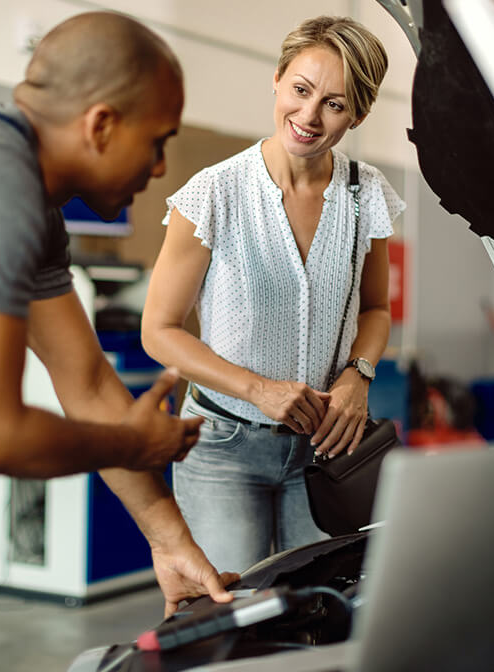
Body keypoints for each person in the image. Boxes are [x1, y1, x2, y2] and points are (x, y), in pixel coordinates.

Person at [0, 11, 239, 616]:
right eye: (158, 141)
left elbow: (90, 383)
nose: (158, 168)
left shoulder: (35, 209)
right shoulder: (0, 186)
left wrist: (170, 540)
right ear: (101, 125)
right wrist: (128, 442)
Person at [141, 15, 406, 573]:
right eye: (301, 90)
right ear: (279, 79)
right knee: (226, 620)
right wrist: (257, 388)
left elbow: (376, 309)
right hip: (223, 446)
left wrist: (359, 374)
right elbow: (158, 332)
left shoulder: (367, 194)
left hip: (327, 449)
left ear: (357, 113)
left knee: (322, 614)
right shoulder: (214, 194)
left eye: (334, 104)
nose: (308, 117)